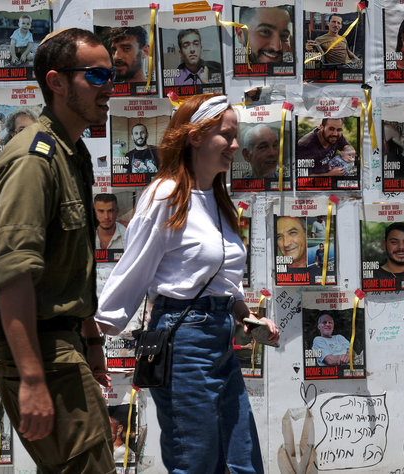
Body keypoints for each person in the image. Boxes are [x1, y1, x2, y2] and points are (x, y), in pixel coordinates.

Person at [96, 94, 280, 473]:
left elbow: (220, 279)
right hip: (183, 341)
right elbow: (132, 273)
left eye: (235, 137)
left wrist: (246, 314)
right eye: (226, 136)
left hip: (219, 337)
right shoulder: (165, 196)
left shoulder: (217, 196)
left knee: (242, 460)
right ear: (194, 136)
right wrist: (93, 340)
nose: (234, 145)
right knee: (195, 460)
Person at [0, 27, 116, 473]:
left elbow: (69, 265)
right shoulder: (34, 161)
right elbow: (14, 275)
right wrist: (32, 378)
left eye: (110, 75)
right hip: (42, 351)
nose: (108, 86)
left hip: (64, 344)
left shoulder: (72, 153)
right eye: (95, 75)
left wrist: (91, 340)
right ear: (56, 82)